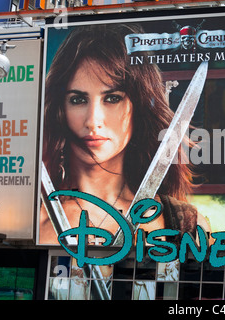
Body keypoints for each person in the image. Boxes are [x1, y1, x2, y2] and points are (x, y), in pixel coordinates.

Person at [39, 23, 211, 246]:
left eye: (112, 98)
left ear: (137, 106)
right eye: (78, 99)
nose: (93, 121)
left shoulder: (184, 224)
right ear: (60, 109)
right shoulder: (38, 220)